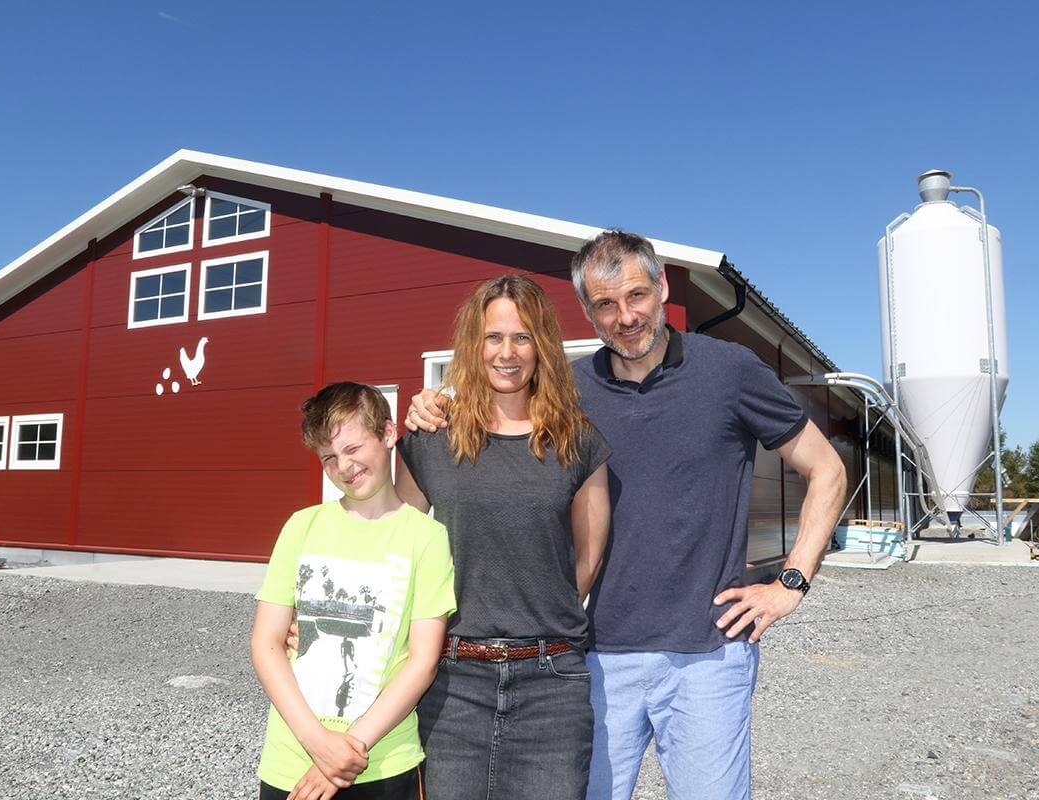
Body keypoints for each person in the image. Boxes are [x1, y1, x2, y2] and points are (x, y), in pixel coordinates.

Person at [407, 231, 847, 800]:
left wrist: (791, 581)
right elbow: (496, 401)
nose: (625, 317)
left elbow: (827, 470)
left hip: (708, 656)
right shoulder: (568, 394)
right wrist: (437, 401)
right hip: (594, 657)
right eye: (605, 305)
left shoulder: (729, 371)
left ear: (662, 286)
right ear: (588, 311)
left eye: (637, 296)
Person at [395, 274, 612, 800]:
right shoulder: (430, 439)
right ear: (474, 344)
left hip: (551, 682)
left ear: (543, 346)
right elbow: (392, 552)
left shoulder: (577, 442)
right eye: (494, 337)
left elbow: (586, 561)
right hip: (451, 681)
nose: (507, 352)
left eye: (523, 337)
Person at [251, 382, 456, 800]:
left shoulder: (428, 538)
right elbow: (266, 643)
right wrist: (319, 745)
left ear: (386, 433)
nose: (344, 467)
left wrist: (350, 748)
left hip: (385, 761)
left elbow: (422, 660)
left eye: (353, 448)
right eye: (329, 458)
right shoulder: (301, 526)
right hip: (292, 761)